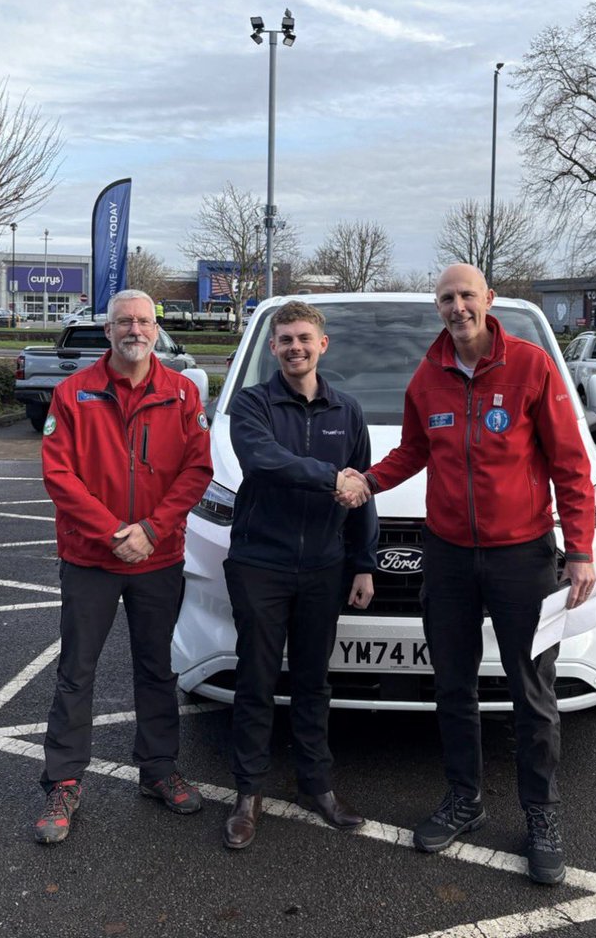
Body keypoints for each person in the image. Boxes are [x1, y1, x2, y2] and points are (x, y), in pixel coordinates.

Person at [343, 264, 596, 884]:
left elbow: (570, 463)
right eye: (446, 298)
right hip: (449, 556)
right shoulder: (427, 377)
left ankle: (540, 813)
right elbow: (413, 451)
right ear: (439, 307)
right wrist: (368, 481)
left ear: (489, 299)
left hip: (523, 558)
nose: (457, 307)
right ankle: (465, 800)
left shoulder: (532, 366)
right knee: (452, 685)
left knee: (531, 690)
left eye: (466, 296)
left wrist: (581, 548)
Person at [35, 289, 213, 844]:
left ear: (156, 329)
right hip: (92, 557)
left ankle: (158, 771)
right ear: (107, 331)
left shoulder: (182, 394)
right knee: (76, 672)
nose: (135, 329)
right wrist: (113, 533)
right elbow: (59, 476)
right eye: (123, 322)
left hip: (158, 557)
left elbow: (197, 468)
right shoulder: (73, 393)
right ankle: (63, 781)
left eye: (144, 321)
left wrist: (152, 530)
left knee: (157, 670)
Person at [222, 300, 378, 850]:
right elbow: (262, 460)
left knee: (313, 681)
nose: (295, 347)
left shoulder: (347, 411)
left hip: (323, 569)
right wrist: (330, 475)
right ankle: (247, 794)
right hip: (260, 565)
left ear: (322, 345)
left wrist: (363, 562)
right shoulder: (252, 404)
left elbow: (362, 494)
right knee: (257, 681)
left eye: (304, 338)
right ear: (272, 347)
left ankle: (318, 785)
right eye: (285, 339)